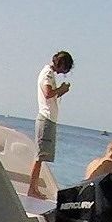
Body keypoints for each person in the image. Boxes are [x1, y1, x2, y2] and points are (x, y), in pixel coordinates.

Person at [26, 50, 74, 199]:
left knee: (42, 156)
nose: (64, 72)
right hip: (45, 119)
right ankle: (32, 189)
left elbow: (50, 95)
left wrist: (60, 92)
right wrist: (62, 89)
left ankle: (33, 188)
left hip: (49, 119)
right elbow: (47, 93)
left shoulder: (49, 74)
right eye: (65, 69)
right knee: (40, 156)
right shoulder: (47, 73)